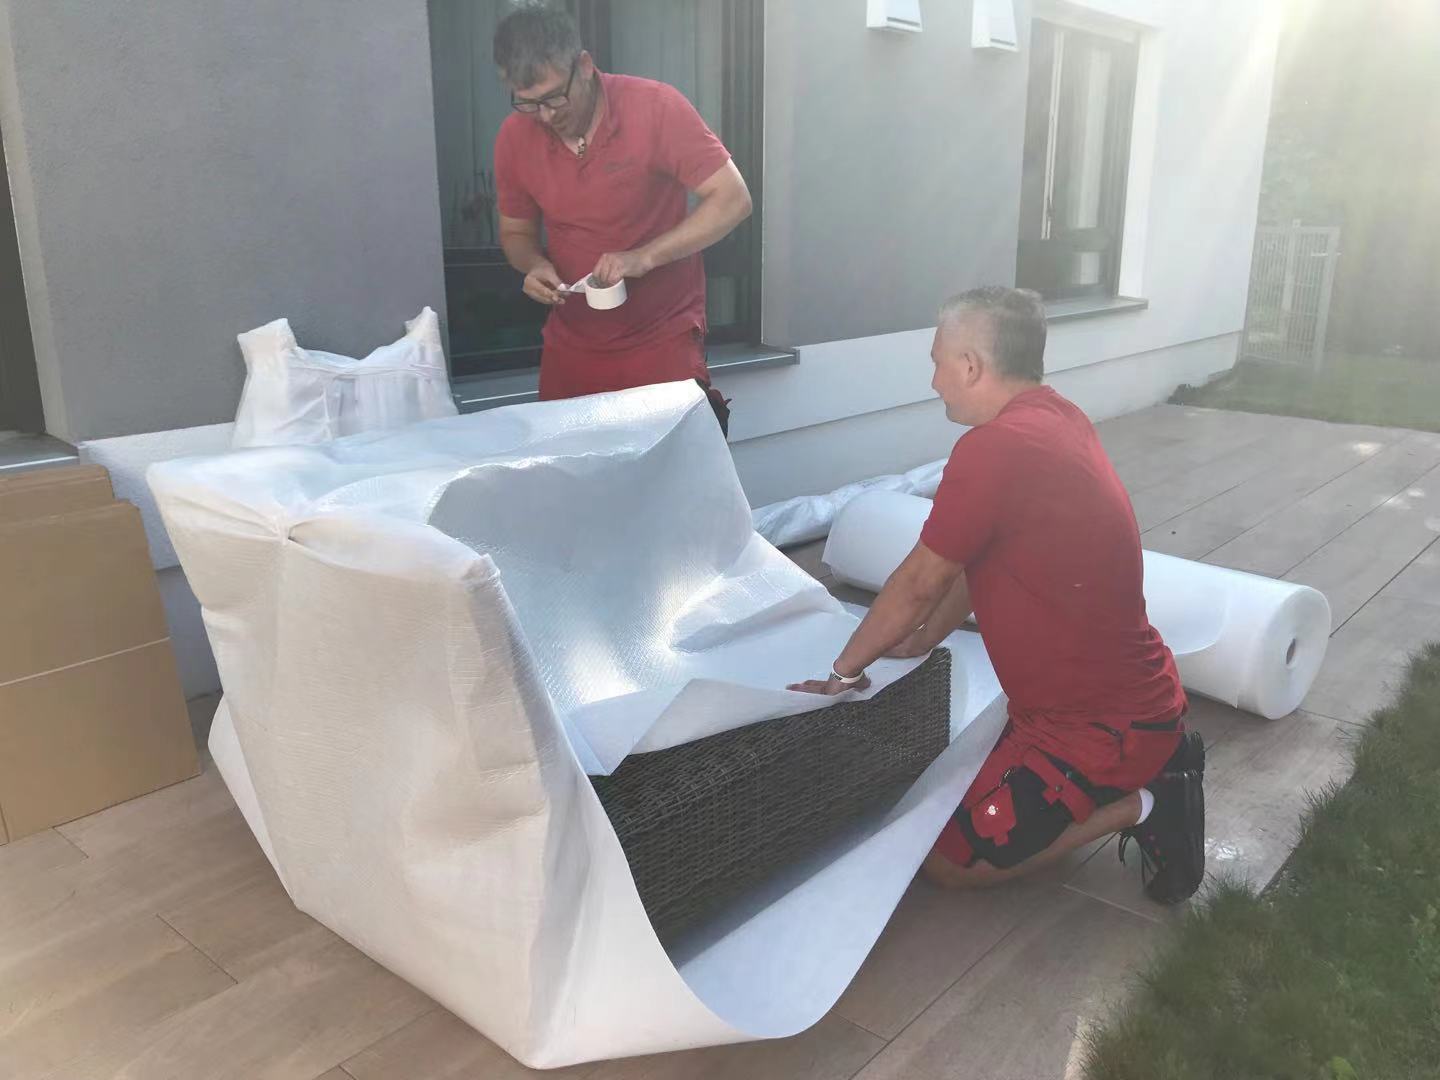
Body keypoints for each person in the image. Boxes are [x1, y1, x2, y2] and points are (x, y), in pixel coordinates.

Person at [790, 286, 1206, 903]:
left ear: (971, 365)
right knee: (946, 799)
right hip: (1089, 707)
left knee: (948, 860)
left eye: (937, 362)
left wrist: (843, 672)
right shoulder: (1056, 416)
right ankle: (1137, 772)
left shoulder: (995, 449)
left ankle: (1150, 800)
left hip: (1100, 726)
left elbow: (919, 581)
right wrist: (926, 638)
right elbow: (978, 557)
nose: (933, 382)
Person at [491, 8, 752, 433]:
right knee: (571, 468)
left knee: (670, 466)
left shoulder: (655, 106)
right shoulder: (513, 138)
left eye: (554, 97)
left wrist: (644, 257)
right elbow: (516, 232)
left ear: (584, 66)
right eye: (528, 103)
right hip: (571, 348)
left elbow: (733, 199)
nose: (545, 116)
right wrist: (533, 264)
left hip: (661, 338)